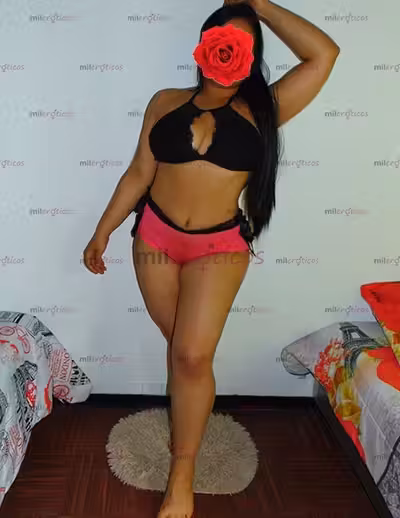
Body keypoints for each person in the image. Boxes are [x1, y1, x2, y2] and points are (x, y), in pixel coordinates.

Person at [83, 1, 340, 516]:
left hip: (218, 249)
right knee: (183, 352)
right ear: (202, 46)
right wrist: (102, 230)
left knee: (192, 357)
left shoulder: (264, 109)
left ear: (252, 55)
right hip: (154, 241)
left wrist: (258, 6)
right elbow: (139, 174)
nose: (228, 49)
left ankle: (182, 475)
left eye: (241, 43)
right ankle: (186, 424)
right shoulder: (164, 101)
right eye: (222, 38)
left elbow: (323, 55)